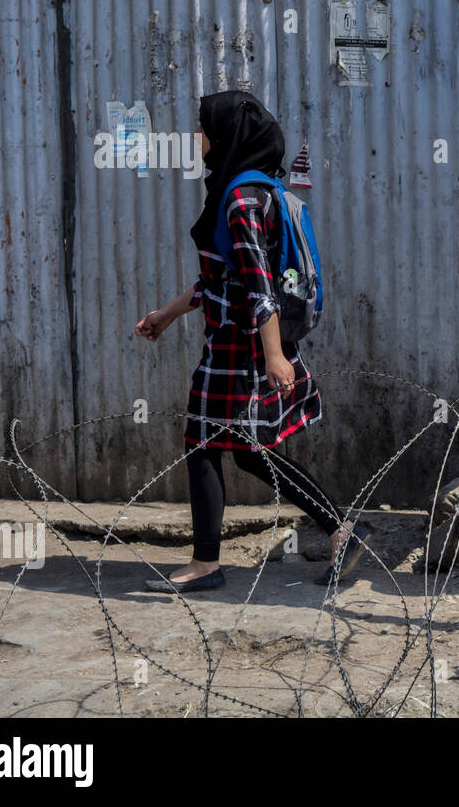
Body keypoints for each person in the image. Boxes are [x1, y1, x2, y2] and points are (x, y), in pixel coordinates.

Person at [134, 90, 366, 593]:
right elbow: (224, 280)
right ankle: (341, 528)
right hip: (246, 341)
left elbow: (259, 288)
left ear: (226, 137)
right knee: (245, 449)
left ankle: (204, 564)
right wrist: (167, 315)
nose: (197, 139)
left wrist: (275, 355)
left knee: (202, 446)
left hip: (240, 348)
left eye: (202, 129)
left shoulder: (240, 199)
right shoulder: (255, 189)